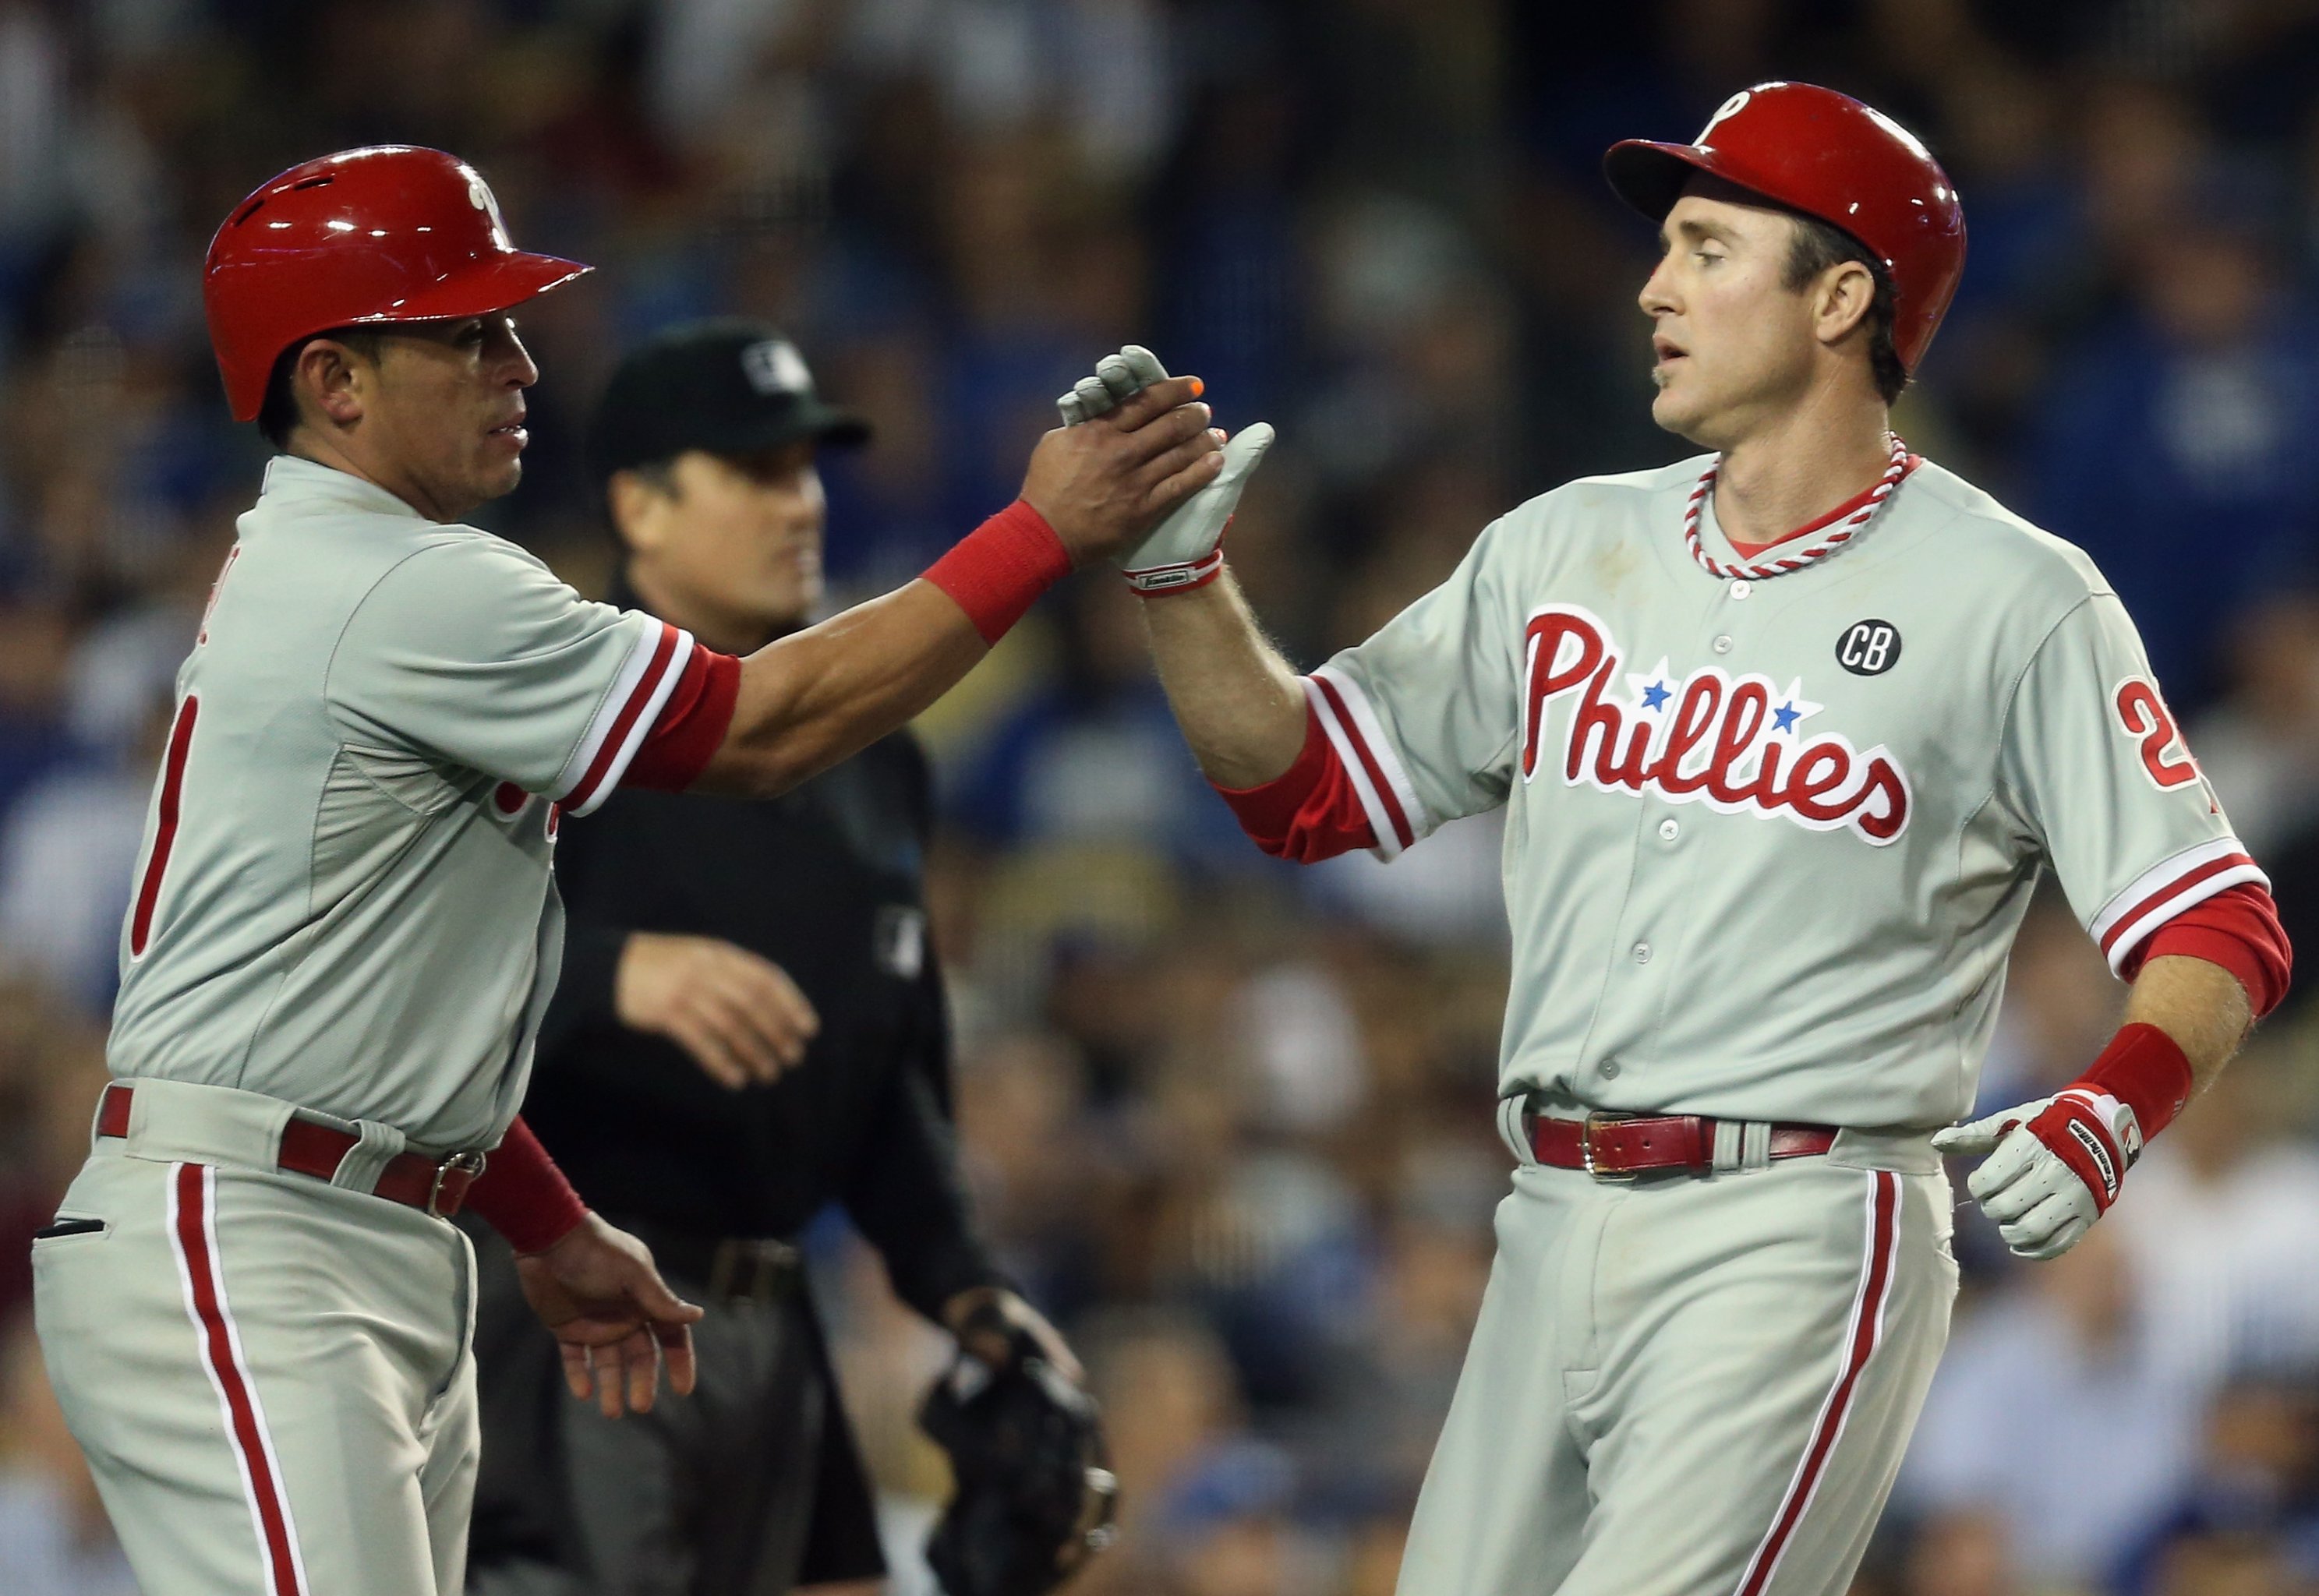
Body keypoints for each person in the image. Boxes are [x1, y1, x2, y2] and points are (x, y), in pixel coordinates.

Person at [1069, 83, 2295, 1595]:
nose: (1656, 283)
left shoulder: (2016, 597)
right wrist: (1186, 590)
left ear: (1843, 296)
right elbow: (1310, 788)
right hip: (1547, 1218)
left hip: (1791, 1224)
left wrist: (2113, 1104)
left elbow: (2218, 917)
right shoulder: (1564, 543)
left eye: (1710, 247)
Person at [30, 145, 1221, 1596]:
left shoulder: (362, 577)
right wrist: (1042, 534)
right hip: (257, 1230)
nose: (520, 360)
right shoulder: (402, 583)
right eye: (466, 332)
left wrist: (545, 1221)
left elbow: (369, 1004)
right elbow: (765, 725)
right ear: (336, 384)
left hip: (362, 1223)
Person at [461, 319, 1094, 1595]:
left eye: (806, 469)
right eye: (755, 472)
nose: (799, 504)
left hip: (771, 1311)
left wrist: (963, 1288)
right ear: (639, 503)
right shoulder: (544, 718)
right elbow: (401, 978)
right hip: (569, 1312)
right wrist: (607, 971)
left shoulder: (879, 761)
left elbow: (893, 1079)